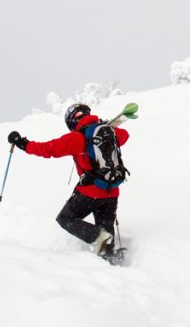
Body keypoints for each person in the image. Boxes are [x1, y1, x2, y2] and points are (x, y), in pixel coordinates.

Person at [7, 103, 129, 258]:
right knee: (105, 234)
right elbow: (124, 136)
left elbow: (48, 149)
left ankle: (98, 238)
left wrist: (22, 143)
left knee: (65, 218)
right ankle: (110, 260)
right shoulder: (109, 131)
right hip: (111, 191)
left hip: (90, 193)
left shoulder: (77, 137)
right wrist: (108, 127)